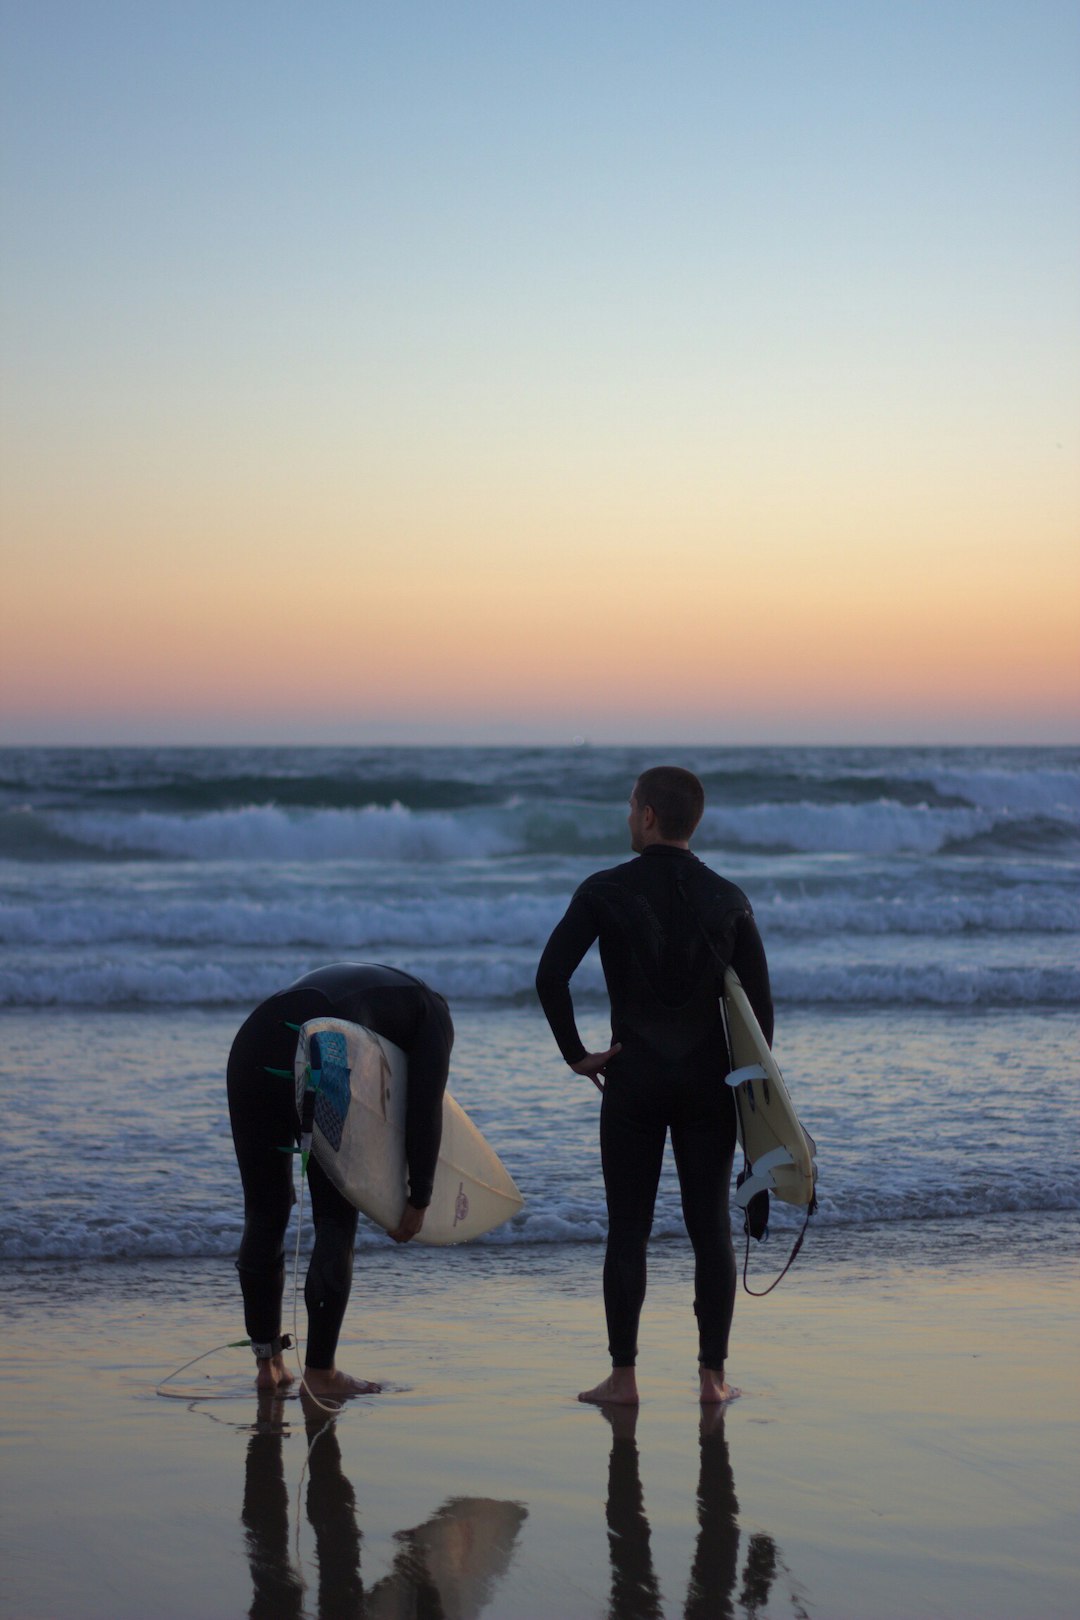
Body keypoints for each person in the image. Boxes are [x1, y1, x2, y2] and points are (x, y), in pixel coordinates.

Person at [535, 766, 773, 1407]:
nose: (628, 815)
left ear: (645, 816)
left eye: (630, 805)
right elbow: (761, 1019)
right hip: (708, 1082)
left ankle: (622, 1378)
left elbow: (550, 976)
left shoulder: (604, 890)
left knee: (628, 1230)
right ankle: (711, 1380)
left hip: (633, 1079)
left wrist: (578, 1056)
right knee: (709, 1231)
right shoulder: (729, 898)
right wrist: (754, 1109)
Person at [227, 961, 453, 1398]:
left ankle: (268, 1365)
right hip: (326, 1052)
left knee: (264, 1210)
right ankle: (322, 1373)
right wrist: (419, 1196)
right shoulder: (434, 1017)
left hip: (253, 1041)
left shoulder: (384, 990)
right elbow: (424, 1105)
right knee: (335, 1216)